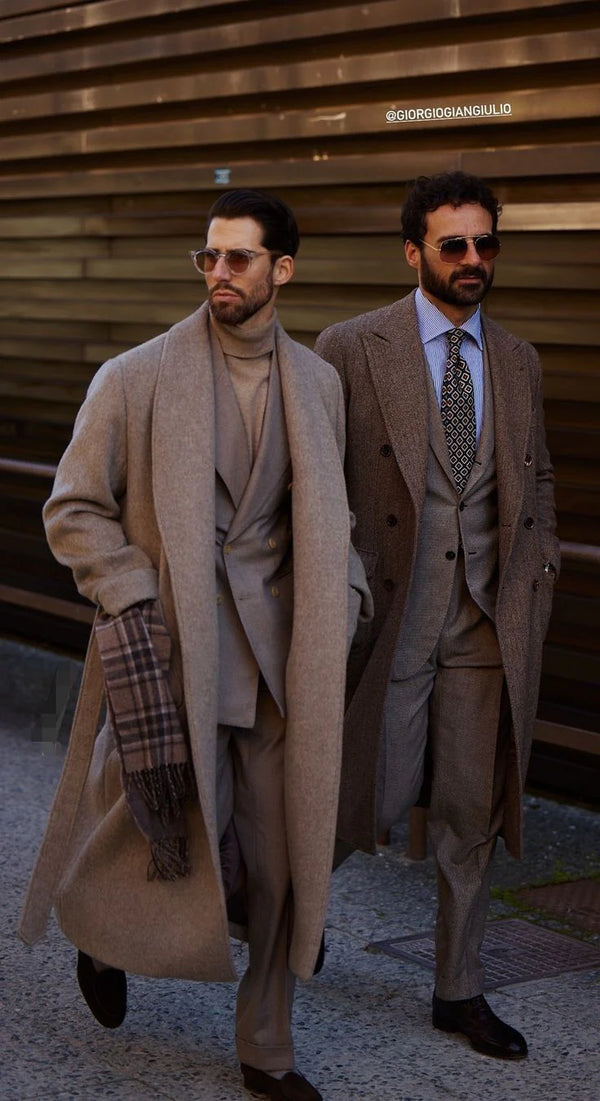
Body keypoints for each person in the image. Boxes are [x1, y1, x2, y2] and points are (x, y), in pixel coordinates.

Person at [19, 188, 371, 1101]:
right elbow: (72, 507)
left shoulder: (319, 383)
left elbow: (329, 518)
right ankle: (104, 941)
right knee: (160, 831)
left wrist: (347, 598)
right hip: (175, 653)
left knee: (285, 864)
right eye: (208, 257)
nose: (219, 272)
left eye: (238, 258)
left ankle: (267, 1050)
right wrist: (131, 589)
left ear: (282, 269)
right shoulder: (134, 376)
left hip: (281, 665)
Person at [315, 171, 559, 1061]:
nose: (472, 258)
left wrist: (540, 565)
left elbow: (536, 475)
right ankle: (281, 911)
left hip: (489, 622)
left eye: (485, 242)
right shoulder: (351, 345)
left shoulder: (519, 358)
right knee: (361, 793)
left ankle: (459, 989)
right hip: (394, 617)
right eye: (453, 243)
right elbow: (316, 479)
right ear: (413, 251)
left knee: (469, 811)